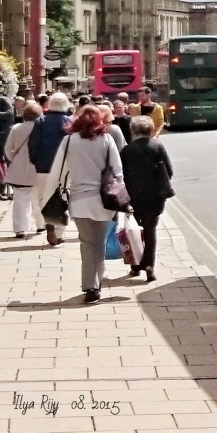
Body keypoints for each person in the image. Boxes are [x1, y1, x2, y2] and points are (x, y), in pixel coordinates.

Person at [54, 104, 124, 304]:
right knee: (99, 243)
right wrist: (121, 196)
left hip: (79, 201)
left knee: (87, 243)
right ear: (100, 121)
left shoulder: (68, 141)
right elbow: (117, 171)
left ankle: (90, 286)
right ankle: (95, 284)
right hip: (104, 201)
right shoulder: (107, 139)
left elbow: (59, 171)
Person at [120, 115, 174, 282]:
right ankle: (149, 266)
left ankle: (135, 266)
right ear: (150, 129)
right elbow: (169, 171)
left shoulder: (127, 150)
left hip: (133, 197)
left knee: (134, 231)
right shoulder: (157, 146)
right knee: (150, 230)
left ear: (133, 130)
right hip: (155, 197)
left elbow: (120, 175)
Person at [30, 91, 73, 245]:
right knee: (62, 198)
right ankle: (59, 233)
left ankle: (49, 223)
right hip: (64, 168)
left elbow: (33, 144)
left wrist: (35, 161)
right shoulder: (69, 121)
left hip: (44, 166)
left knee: (43, 197)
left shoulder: (41, 121)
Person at [4, 100, 45, 239]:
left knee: (20, 200)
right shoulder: (42, 128)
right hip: (39, 168)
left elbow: (8, 150)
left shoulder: (16, 128)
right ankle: (40, 224)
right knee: (39, 198)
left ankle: (20, 228)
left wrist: (14, 160)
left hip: (20, 170)